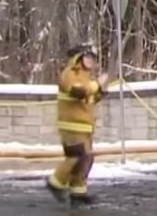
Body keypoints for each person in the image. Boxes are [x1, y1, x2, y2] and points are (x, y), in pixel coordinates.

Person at [46, 44, 110, 205]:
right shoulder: (69, 74)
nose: (91, 62)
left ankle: (78, 192)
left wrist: (101, 92)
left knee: (86, 158)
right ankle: (55, 183)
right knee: (75, 155)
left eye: (93, 59)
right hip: (71, 126)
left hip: (84, 127)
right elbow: (78, 92)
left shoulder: (85, 77)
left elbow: (87, 100)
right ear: (79, 58)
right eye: (87, 57)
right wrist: (97, 85)